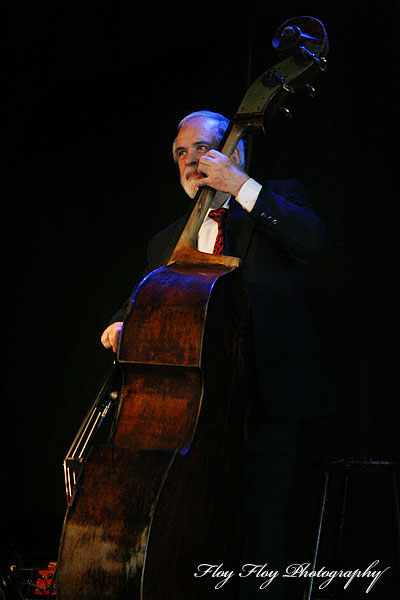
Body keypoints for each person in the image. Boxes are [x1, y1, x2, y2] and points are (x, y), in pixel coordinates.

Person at [101, 110, 337, 599]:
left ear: (236, 149)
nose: (189, 161)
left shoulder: (278, 197)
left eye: (202, 148)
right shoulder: (167, 241)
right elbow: (152, 295)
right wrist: (125, 320)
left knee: (263, 535)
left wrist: (241, 185)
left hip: (269, 403)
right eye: (180, 153)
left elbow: (311, 241)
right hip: (199, 413)